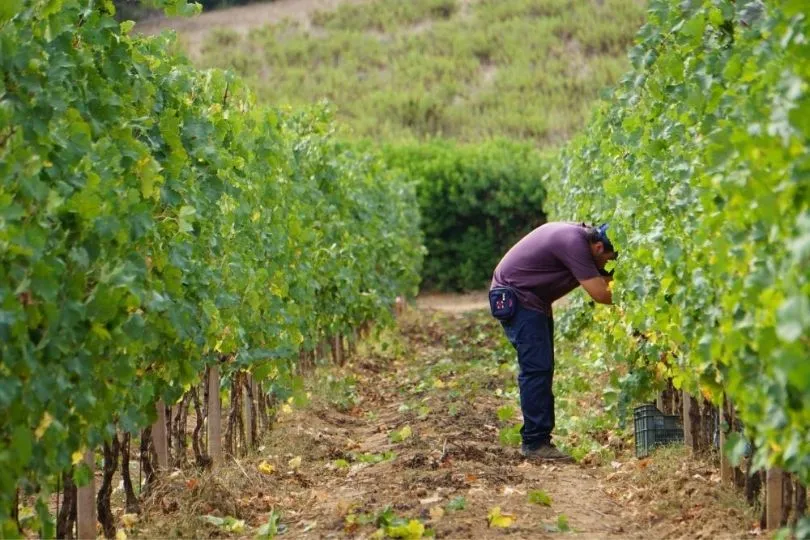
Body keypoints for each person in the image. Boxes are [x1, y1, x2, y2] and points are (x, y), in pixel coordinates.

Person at [488, 222, 617, 462]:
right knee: (536, 369)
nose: (607, 268)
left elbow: (605, 279)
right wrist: (635, 295)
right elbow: (600, 293)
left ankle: (538, 439)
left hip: (531, 300)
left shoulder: (582, 239)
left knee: (543, 367)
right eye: (609, 261)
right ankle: (535, 443)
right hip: (516, 298)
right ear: (599, 247)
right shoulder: (574, 243)